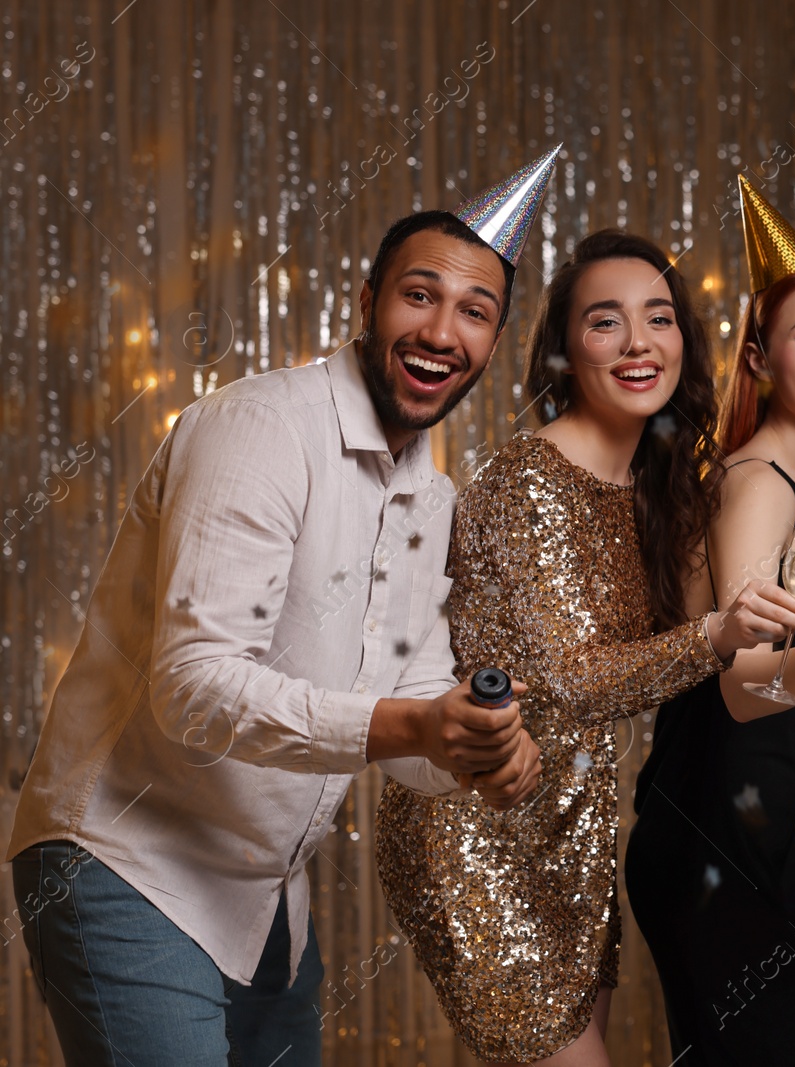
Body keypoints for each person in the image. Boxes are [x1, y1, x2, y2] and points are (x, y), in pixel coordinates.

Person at [6, 154, 559, 1065]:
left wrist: (471, 749)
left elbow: (413, 692)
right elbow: (194, 688)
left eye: (475, 311)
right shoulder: (261, 429)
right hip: (127, 863)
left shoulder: (434, 495)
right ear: (369, 296)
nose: (442, 329)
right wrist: (416, 719)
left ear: (494, 341)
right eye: (420, 295)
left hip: (265, 904)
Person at [374, 229, 795, 1067]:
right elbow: (570, 684)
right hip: (476, 832)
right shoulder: (527, 478)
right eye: (606, 322)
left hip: (574, 832)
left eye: (659, 318)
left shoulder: (659, 483)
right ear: (566, 352)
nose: (639, 342)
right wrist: (718, 634)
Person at [627, 177, 795, 1067]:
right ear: (759, 358)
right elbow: (744, 689)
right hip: (710, 839)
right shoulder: (756, 481)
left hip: (753, 834)